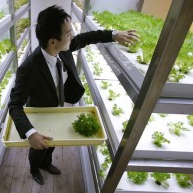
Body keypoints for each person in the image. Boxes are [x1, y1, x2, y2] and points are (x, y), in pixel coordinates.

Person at [8, 5, 139, 185]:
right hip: (40, 114)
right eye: (69, 32)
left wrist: (114, 35)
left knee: (52, 143)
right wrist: (31, 134)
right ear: (53, 41)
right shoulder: (28, 69)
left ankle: (47, 163)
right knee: (39, 146)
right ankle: (34, 168)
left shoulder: (64, 47)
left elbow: (87, 37)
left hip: (58, 108)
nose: (73, 35)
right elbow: (14, 106)